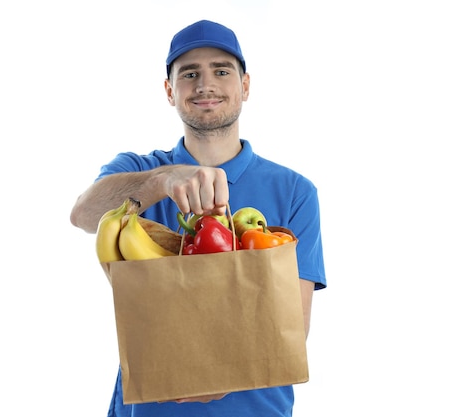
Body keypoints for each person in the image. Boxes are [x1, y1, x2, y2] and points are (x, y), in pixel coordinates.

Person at [70, 19, 326, 417]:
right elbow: (83, 214)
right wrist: (163, 179)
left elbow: (293, 326)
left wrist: (219, 375)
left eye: (221, 71)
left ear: (245, 85)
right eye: (189, 74)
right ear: (170, 91)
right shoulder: (139, 171)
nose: (205, 84)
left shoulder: (294, 191)